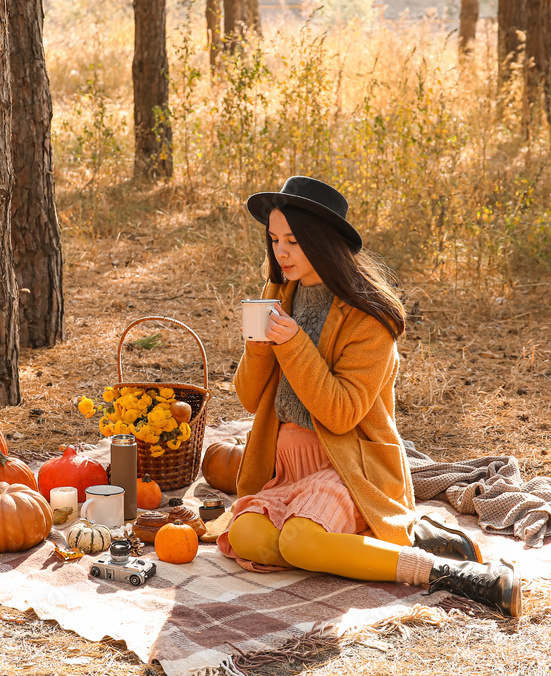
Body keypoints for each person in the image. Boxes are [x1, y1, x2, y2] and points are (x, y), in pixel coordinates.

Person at [217, 176, 521, 617]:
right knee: (246, 537)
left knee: (298, 540)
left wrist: (293, 345)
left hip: (346, 465)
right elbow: (249, 399)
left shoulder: (369, 318)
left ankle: (443, 571)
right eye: (274, 239)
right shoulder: (277, 293)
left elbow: (340, 415)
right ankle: (365, 545)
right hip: (285, 468)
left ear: (322, 243)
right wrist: (259, 350)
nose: (280, 252)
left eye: (294, 242)